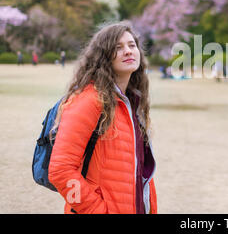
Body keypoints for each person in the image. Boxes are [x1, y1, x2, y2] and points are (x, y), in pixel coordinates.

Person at [48, 22, 157, 214]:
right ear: (103, 57)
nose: (128, 51)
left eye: (132, 45)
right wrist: (95, 210)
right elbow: (60, 171)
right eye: (118, 47)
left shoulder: (131, 102)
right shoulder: (89, 100)